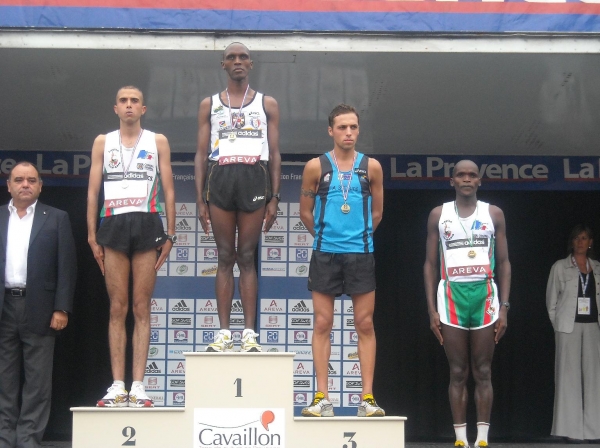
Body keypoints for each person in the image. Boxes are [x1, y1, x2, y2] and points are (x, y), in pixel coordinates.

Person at [87, 86, 176, 407]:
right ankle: (117, 385)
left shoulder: (158, 141)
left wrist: (171, 233)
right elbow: (93, 189)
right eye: (123, 101)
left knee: (141, 307)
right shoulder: (103, 141)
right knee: (117, 307)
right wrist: (90, 235)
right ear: (115, 108)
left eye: (134, 101)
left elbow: (168, 187)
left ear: (143, 108)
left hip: (148, 223)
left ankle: (138, 385)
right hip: (112, 224)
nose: (128, 105)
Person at [299, 104, 384, 418]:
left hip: (360, 255)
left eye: (353, 127)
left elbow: (377, 213)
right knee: (323, 323)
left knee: (364, 324)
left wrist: (358, 238)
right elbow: (305, 213)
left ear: (358, 130)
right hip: (325, 254)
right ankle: (322, 397)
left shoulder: (371, 167)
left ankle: (367, 399)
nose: (349, 133)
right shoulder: (315, 166)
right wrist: (325, 238)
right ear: (331, 130)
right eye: (342, 127)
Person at [194, 42, 281, 353]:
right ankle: (223, 332)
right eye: (231, 57)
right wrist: (200, 199)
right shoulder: (209, 104)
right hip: (220, 176)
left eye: (243, 57)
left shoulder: (266, 103)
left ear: (251, 64)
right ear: (223, 65)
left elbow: (274, 152)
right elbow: (201, 154)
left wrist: (275, 197)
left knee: (246, 255)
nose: (238, 61)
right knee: (224, 255)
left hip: (254, 175)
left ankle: (248, 333)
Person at [424, 160, 511, 448]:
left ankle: (482, 440)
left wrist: (504, 307)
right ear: (452, 181)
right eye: (461, 174)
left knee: (483, 370)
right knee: (458, 371)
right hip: (451, 296)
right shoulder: (439, 214)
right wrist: (431, 309)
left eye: (472, 175)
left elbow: (505, 262)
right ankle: (461, 439)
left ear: (479, 181)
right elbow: (429, 264)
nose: (466, 179)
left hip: (485, 294)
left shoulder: (493, 213)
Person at [0, 162, 76, 448]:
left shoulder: (56, 218)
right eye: (18, 180)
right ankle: (4, 439)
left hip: (42, 309)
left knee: (38, 383)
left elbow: (66, 267)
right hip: (4, 307)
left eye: (32, 180)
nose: (25, 185)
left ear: (40, 186)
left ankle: (28, 440)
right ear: (9, 185)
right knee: (4, 380)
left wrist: (61, 308)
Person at [546, 225, 600, 442]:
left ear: (591, 242)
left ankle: (594, 430)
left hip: (593, 327)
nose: (580, 242)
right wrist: (558, 325)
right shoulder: (560, 267)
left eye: (584, 238)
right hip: (567, 327)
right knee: (567, 378)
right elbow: (551, 302)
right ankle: (570, 431)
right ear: (572, 242)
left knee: (594, 377)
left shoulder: (597, 267)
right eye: (577, 238)